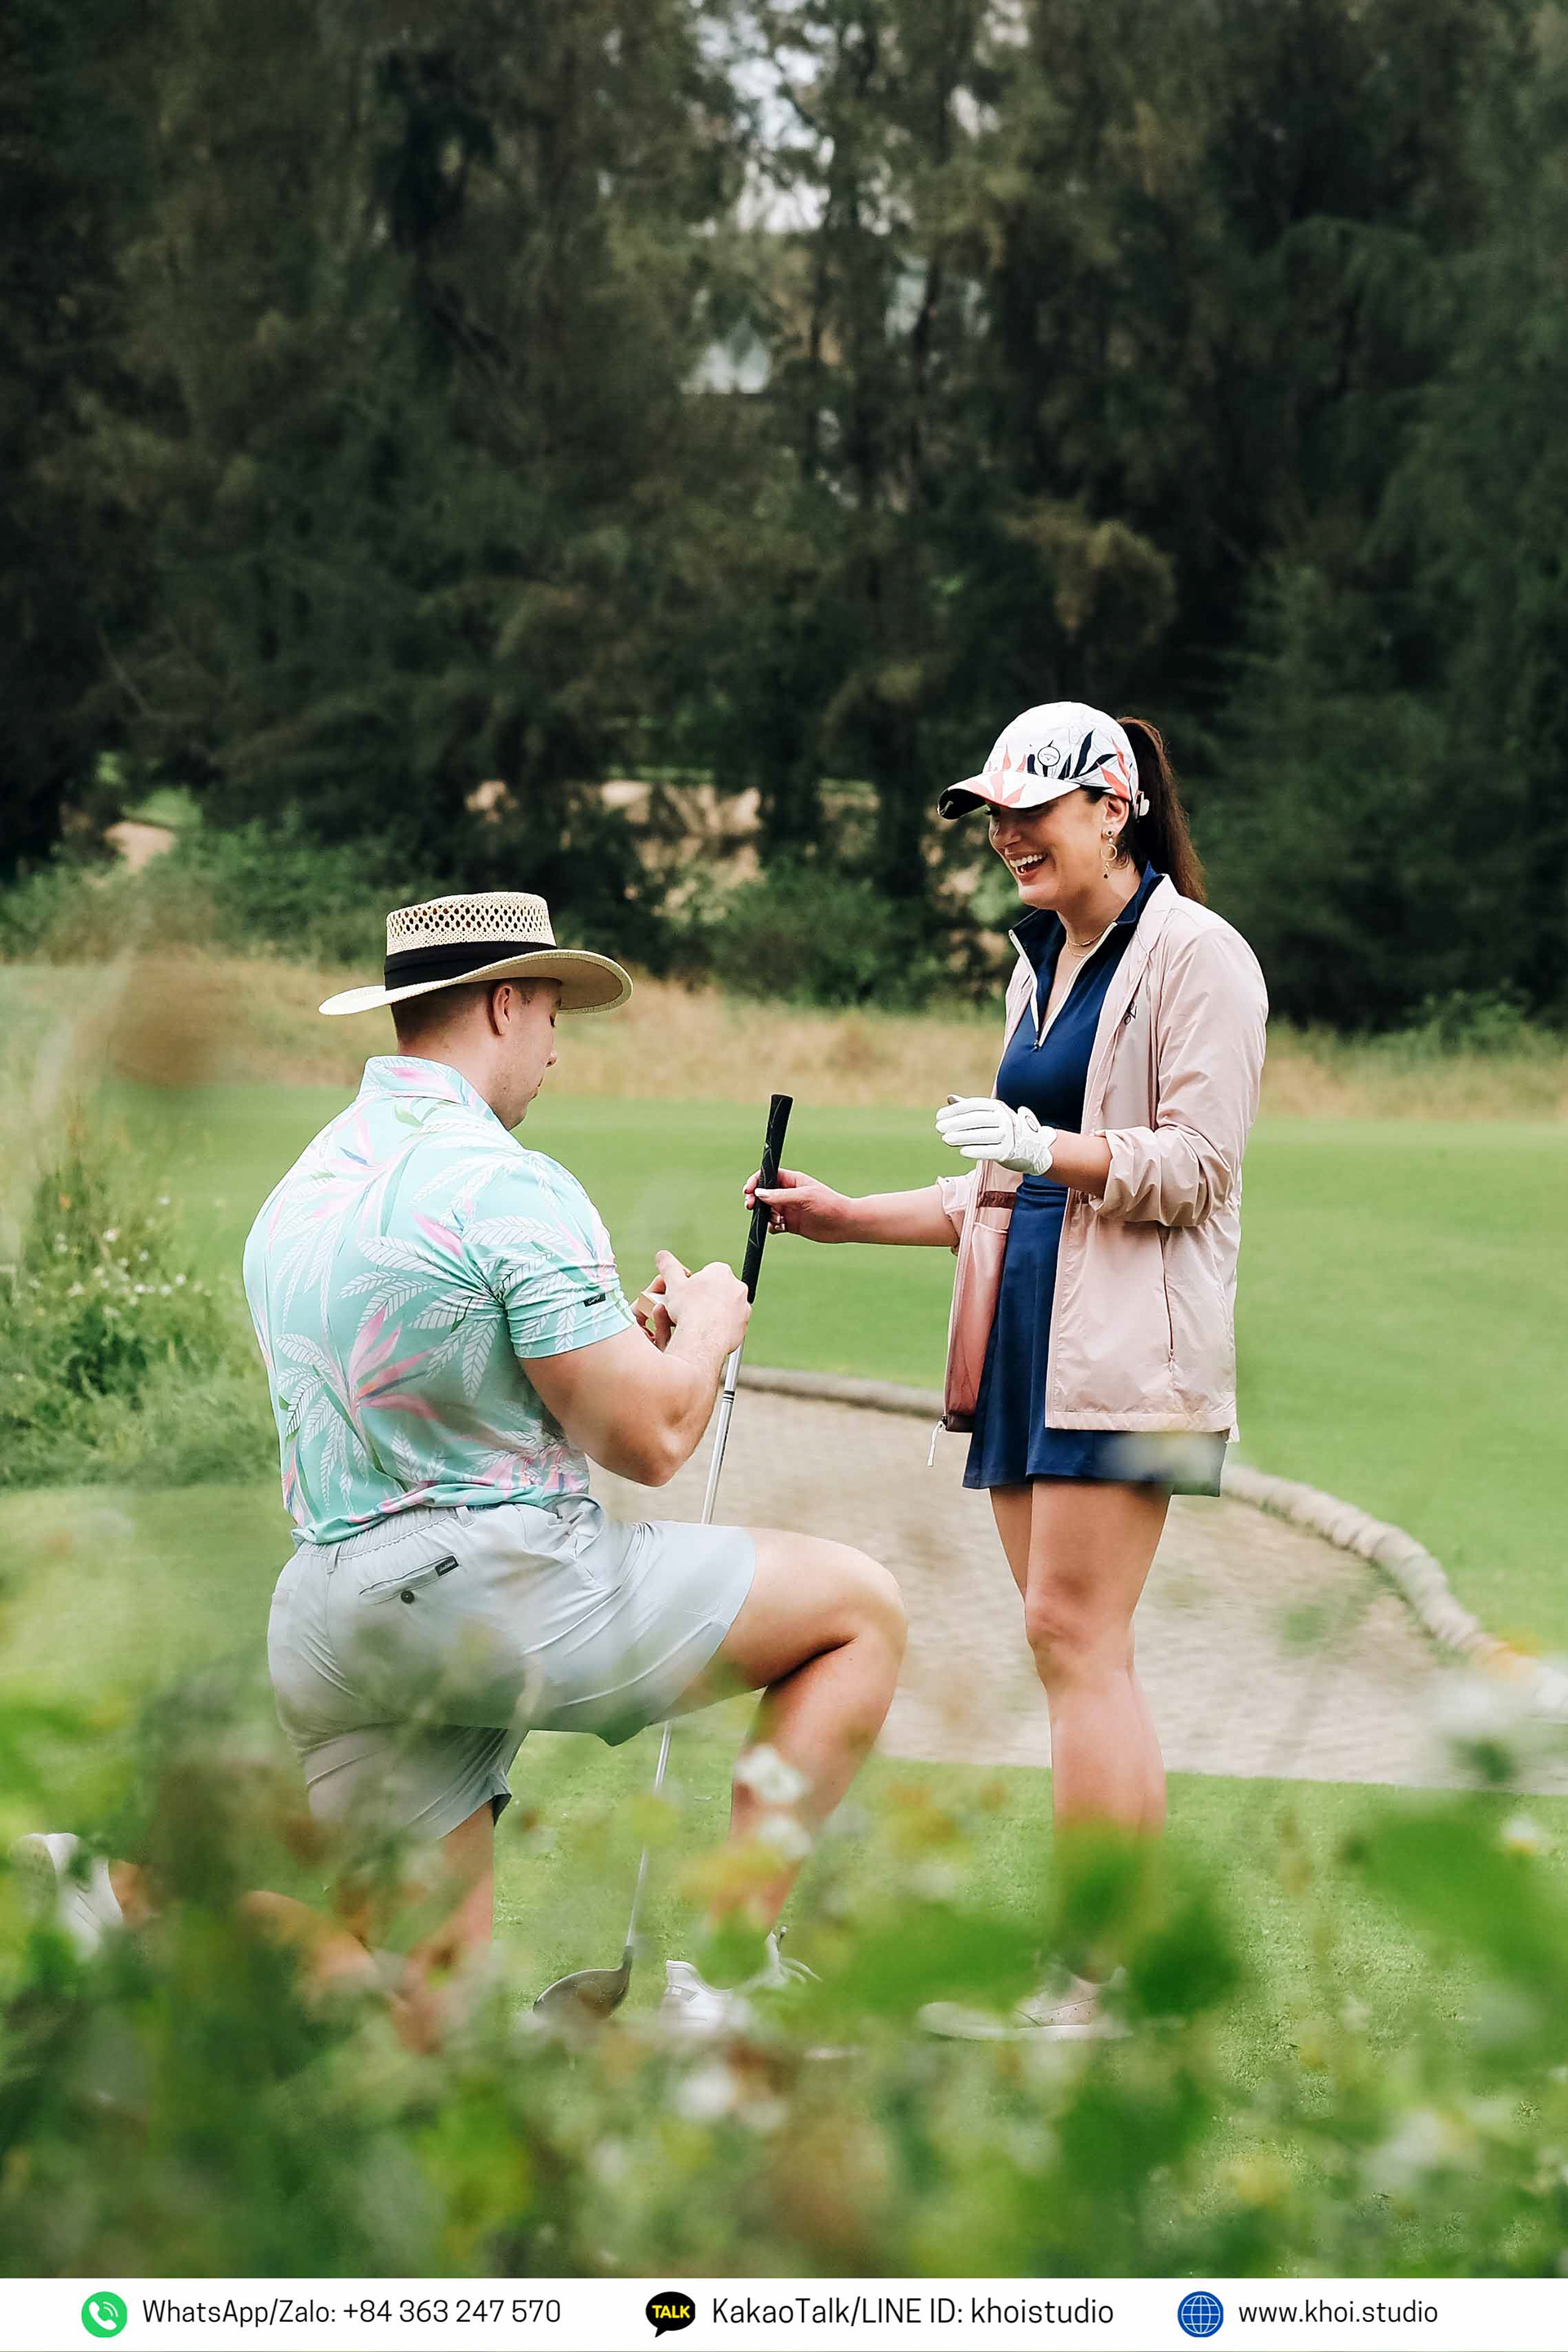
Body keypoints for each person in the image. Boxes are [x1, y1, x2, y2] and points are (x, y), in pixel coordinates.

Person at [20, 890, 903, 2047]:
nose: (552, 1050)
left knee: (418, 2015)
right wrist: (705, 1328)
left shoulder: (304, 1189)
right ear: (505, 1002)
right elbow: (649, 1441)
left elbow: (450, 1392)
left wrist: (618, 1348)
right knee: (858, 1613)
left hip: (334, 1619)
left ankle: (118, 1895)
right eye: (551, 1017)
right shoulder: (510, 1183)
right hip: (498, 1593)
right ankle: (726, 1981)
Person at [747, 704, 1267, 2038]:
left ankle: (1084, 1983)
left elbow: (1195, 1171)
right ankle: (1113, 1973)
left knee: (1070, 1639)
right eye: (994, 811)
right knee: (1083, 1652)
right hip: (1027, 1343)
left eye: (1031, 810)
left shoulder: (1198, 958)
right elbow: (999, 1182)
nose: (1005, 834)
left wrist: (1049, 1151)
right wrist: (846, 1211)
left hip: (1127, 1359)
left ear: (1115, 806)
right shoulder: (1040, 961)